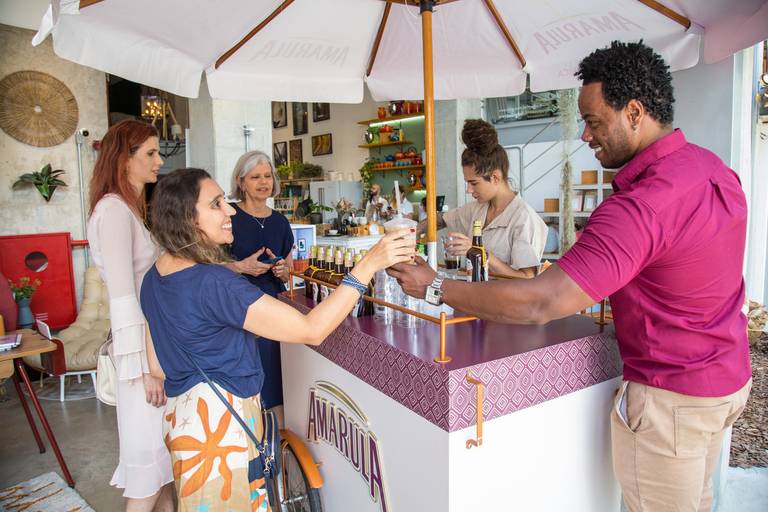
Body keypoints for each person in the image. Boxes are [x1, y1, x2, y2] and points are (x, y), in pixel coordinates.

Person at [390, 41, 751, 512]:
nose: (584, 135)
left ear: (635, 112)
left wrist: (434, 285)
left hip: (671, 397)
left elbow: (543, 301)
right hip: (727, 382)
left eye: (594, 121)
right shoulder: (713, 169)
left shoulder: (640, 206)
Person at [139, 168, 414, 510]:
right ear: (186, 219)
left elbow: (159, 363)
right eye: (216, 204)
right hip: (223, 433)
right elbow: (312, 329)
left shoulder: (154, 277)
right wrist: (368, 266)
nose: (230, 211)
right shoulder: (215, 284)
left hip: (184, 428)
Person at [87, 120, 174, 512]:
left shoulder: (130, 210)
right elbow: (123, 298)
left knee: (165, 471)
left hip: (152, 349)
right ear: (124, 160)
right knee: (147, 475)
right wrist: (145, 369)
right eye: (150, 154)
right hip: (139, 360)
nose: (159, 161)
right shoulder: (113, 212)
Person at [418, 119, 547, 278]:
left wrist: (479, 251)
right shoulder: (477, 209)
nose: (469, 190)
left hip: (505, 301)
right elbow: (441, 219)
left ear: (495, 177)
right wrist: (415, 231)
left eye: (474, 183)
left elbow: (528, 278)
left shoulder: (523, 218)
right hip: (476, 297)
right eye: (467, 183)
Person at [227, 150, 293, 414]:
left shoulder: (280, 221)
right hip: (238, 308)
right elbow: (205, 267)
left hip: (274, 307)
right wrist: (240, 267)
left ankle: (275, 440)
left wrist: (282, 272)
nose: (263, 182)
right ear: (241, 182)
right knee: (248, 382)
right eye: (255, 177)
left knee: (276, 378)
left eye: (267, 176)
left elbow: (289, 270)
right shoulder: (228, 217)